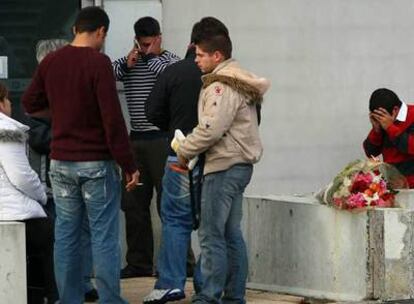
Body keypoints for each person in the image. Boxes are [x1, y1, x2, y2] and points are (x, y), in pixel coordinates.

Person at [22, 7, 139, 304]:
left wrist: (60, 114)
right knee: (103, 236)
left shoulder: (50, 61)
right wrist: (128, 165)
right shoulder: (98, 63)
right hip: (96, 163)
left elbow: (29, 103)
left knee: (66, 235)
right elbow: (112, 119)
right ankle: (111, 299)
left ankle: (68, 299)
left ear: (75, 29)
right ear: (101, 32)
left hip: (61, 163)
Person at [175, 17, 270, 303]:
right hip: (238, 165)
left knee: (211, 234)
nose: (196, 60)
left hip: (223, 166)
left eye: (201, 55)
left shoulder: (221, 86)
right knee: (230, 234)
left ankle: (210, 296)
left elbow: (211, 129)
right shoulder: (238, 80)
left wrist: (184, 150)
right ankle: (234, 296)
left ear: (217, 55)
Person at [27, 38, 99, 302]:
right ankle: (65, 288)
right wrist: (69, 134)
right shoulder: (40, 93)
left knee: (83, 231)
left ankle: (83, 281)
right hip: (52, 178)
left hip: (75, 169)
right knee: (65, 234)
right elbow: (37, 136)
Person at [113, 16, 180, 278]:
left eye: (149, 44)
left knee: (170, 204)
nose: (144, 49)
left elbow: (168, 77)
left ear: (159, 38)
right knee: (133, 204)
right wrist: (128, 63)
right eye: (141, 44)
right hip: (136, 140)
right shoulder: (130, 61)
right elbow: (106, 74)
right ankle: (138, 262)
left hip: (162, 139)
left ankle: (180, 262)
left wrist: (150, 57)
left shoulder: (170, 62)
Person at [142, 23, 204, 304]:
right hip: (214, 159)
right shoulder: (224, 76)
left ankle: (171, 283)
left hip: (178, 154)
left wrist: (173, 129)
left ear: (191, 45)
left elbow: (151, 110)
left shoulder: (174, 71)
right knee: (215, 226)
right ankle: (208, 284)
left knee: (176, 222)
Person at [0, 82, 58, 304]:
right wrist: (42, 195)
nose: (10, 105)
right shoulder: (7, 131)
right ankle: (52, 297)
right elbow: (21, 175)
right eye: (7, 100)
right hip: (13, 211)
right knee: (51, 235)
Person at [364, 88, 414, 187]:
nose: (380, 120)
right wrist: (376, 130)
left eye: (380, 117)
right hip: (392, 185)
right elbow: (371, 153)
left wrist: (390, 127)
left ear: (395, 110)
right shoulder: (384, 121)